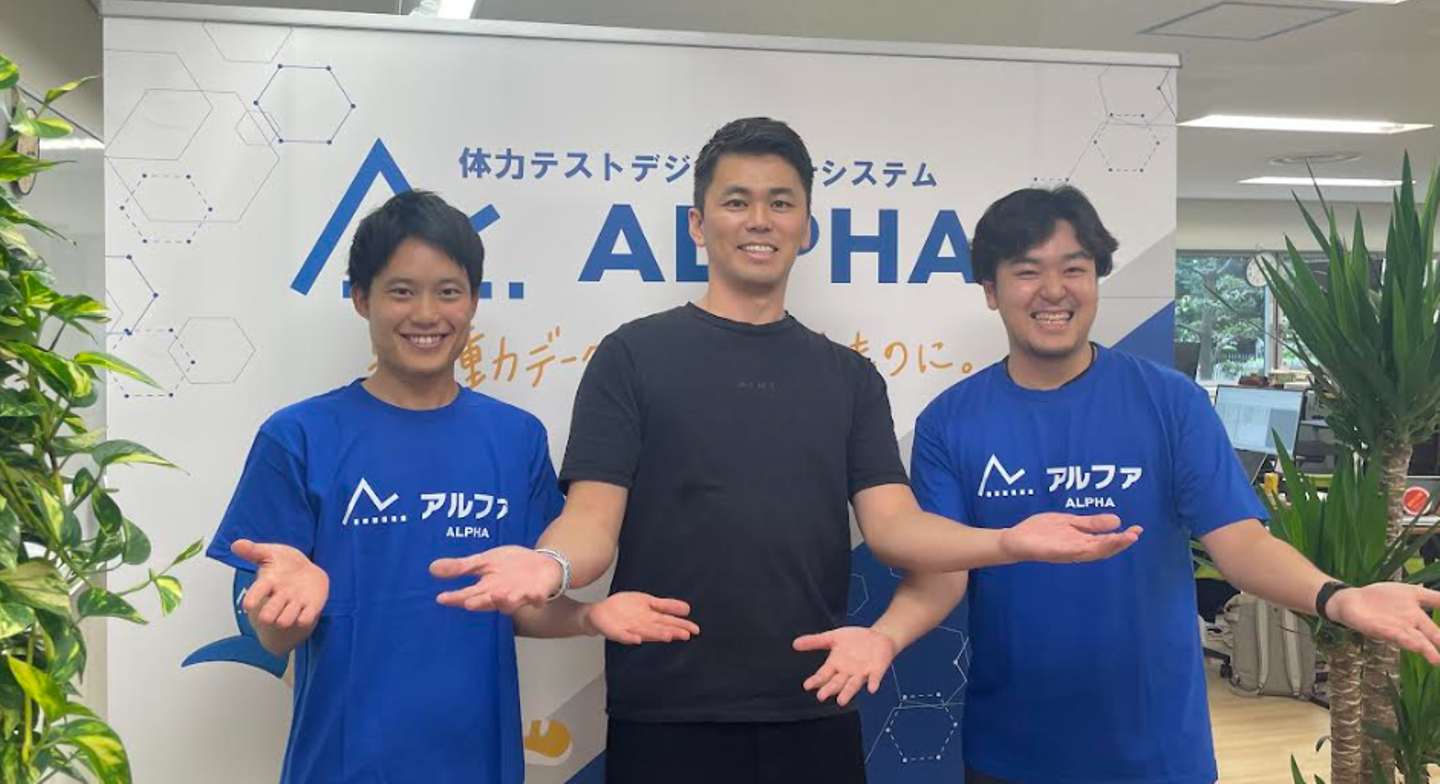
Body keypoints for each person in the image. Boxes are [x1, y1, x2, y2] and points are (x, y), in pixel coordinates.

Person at [428, 119, 1142, 784]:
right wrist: (551, 566)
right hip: (666, 709)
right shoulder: (632, 358)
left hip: (815, 701)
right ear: (698, 224)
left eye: (780, 202)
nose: (759, 220)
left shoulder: (848, 377)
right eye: (736, 202)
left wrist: (1006, 542)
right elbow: (590, 520)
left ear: (806, 225)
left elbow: (894, 527)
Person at [909, 185, 1440, 784]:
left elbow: (1241, 545)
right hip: (1011, 751)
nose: (1053, 290)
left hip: (1156, 750)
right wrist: (880, 639)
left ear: (1096, 280)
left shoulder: (1170, 401)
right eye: (1027, 271)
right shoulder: (949, 422)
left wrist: (1336, 597)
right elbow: (941, 574)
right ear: (990, 290)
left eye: (1074, 269)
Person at [206, 190, 697, 784]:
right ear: (361, 298)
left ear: (473, 301)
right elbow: (273, 634)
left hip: (480, 762)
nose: (426, 314)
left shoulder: (515, 437)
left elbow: (519, 602)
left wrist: (590, 617)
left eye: (447, 291)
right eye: (401, 291)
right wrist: (291, 610)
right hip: (343, 764)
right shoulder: (299, 436)